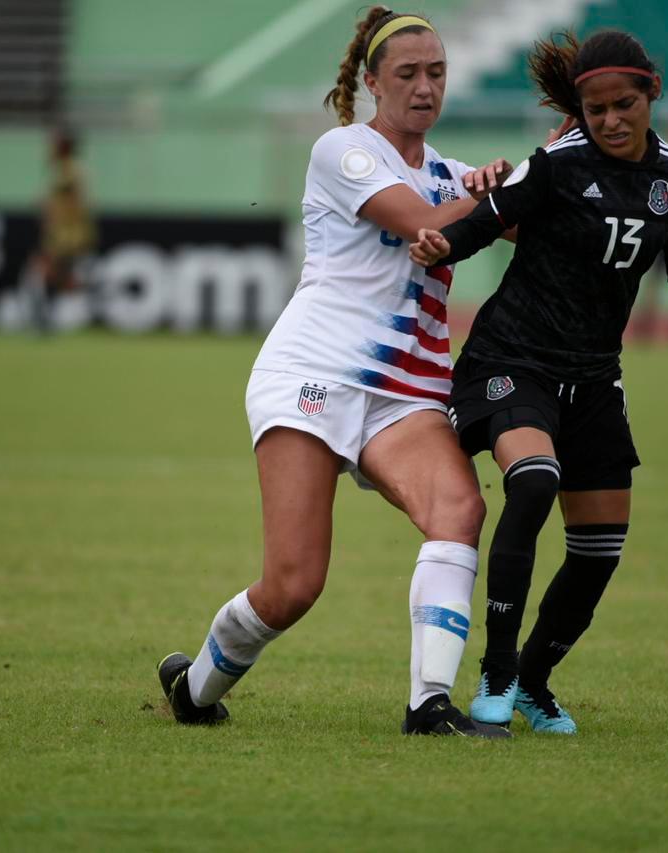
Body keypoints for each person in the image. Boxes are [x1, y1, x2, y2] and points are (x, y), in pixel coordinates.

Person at [156, 7, 532, 738]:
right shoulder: (343, 150)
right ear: (371, 82)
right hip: (313, 375)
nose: (425, 88)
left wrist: (530, 177)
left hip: (407, 395)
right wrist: (494, 196)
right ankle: (194, 686)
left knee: (459, 509)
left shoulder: (456, 172)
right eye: (407, 75)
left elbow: (521, 220)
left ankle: (429, 703)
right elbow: (429, 226)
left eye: (437, 74)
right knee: (295, 584)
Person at [409, 30, 668, 734]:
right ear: (578, 109)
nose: (609, 119)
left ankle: (534, 680)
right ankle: (495, 670)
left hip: (594, 377)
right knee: (535, 479)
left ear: (651, 95)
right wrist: (440, 244)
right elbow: (489, 219)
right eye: (594, 108)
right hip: (510, 360)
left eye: (623, 104)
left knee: (599, 549)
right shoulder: (556, 163)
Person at [30, 127, 95, 333]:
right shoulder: (65, 170)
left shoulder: (70, 170)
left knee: (45, 271)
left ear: (63, 147)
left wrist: (49, 209)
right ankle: (48, 318)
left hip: (66, 236)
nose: (50, 148)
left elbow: (78, 203)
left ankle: (45, 319)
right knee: (57, 277)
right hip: (62, 234)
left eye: (55, 144)